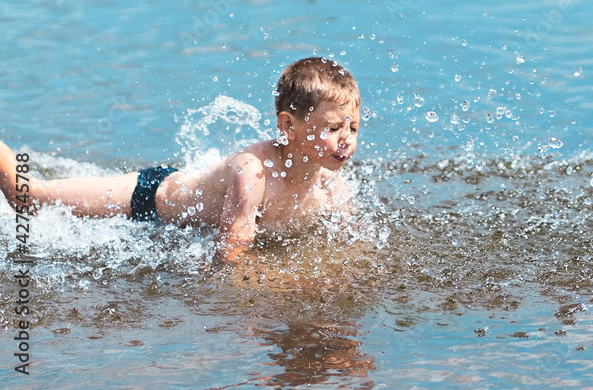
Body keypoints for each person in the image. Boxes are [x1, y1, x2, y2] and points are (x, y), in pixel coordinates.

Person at [0, 57, 361, 265]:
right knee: (27, 197)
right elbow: (230, 253)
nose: (346, 139)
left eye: (354, 127)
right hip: (147, 198)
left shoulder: (330, 183)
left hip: (185, 215)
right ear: (288, 125)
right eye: (332, 127)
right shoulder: (253, 171)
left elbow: (351, 243)